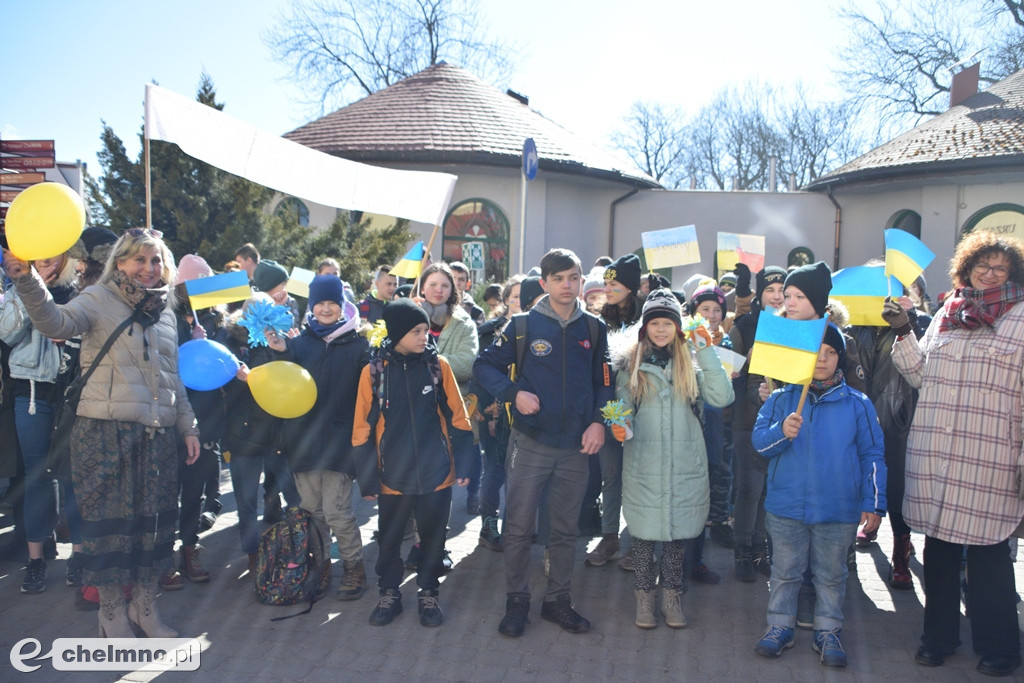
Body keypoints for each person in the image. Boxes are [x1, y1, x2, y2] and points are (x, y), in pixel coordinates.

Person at [3, 229, 200, 639]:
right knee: (110, 533)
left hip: (157, 436)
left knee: (152, 531)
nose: (149, 268)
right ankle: (111, 614)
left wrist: (188, 426)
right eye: (139, 259)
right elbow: (54, 322)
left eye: (156, 261)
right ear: (120, 262)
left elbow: (173, 377)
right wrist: (28, 281)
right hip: (104, 433)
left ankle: (145, 610)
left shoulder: (166, 311)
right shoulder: (98, 297)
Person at [887, 231, 1024, 677]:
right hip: (937, 455)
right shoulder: (948, 312)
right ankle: (938, 639)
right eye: (982, 265)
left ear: (1014, 274)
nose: (990, 273)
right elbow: (919, 376)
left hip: (990, 459)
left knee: (989, 558)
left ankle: (1000, 648)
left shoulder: (1021, 318)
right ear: (966, 269)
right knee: (940, 554)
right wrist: (904, 331)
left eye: (1000, 268)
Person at [474, 248, 613, 638]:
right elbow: (484, 366)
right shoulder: (522, 325)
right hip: (531, 441)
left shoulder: (594, 328)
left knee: (566, 530)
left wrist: (599, 422)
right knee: (518, 527)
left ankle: (557, 601)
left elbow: (605, 382)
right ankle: (517, 600)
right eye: (558, 279)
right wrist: (513, 394)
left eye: (574, 278)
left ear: (582, 280)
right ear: (545, 283)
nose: (567, 286)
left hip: (576, 447)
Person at [752, 324, 886, 668]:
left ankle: (828, 629)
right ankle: (779, 625)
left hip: (837, 509)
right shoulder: (782, 399)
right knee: (785, 572)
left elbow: (872, 454)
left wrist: (872, 502)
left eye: (830, 352)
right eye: (815, 353)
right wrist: (782, 431)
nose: (822, 360)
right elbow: (760, 443)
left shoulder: (858, 404)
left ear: (840, 357)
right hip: (786, 506)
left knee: (831, 575)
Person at [612, 289, 733, 629]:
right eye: (655, 323)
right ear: (645, 328)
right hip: (644, 463)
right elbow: (620, 405)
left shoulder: (690, 362)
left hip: (684, 463)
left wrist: (705, 350)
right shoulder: (631, 366)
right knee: (643, 538)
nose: (661, 330)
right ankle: (644, 599)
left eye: (667, 323)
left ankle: (672, 598)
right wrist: (619, 424)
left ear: (678, 328)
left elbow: (722, 397)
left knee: (678, 538)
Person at [352, 298, 473, 627]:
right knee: (389, 538)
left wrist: (465, 463)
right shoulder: (374, 372)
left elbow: (458, 416)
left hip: (437, 474)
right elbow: (362, 427)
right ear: (396, 334)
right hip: (392, 476)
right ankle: (389, 592)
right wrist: (367, 477)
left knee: (433, 538)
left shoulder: (439, 366)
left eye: (425, 330)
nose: (424, 336)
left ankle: (428, 591)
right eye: (416, 331)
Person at [279, 275, 370, 601]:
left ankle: (353, 566)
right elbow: (282, 387)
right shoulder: (298, 345)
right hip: (303, 442)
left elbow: (368, 395)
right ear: (311, 307)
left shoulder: (359, 346)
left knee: (337, 512)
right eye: (320, 303)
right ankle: (320, 567)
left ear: (343, 306)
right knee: (312, 512)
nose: (327, 309)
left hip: (340, 445)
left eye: (333, 303)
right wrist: (277, 352)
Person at [1, 247, 81, 594]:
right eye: (40, 258)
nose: (46, 263)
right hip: (30, 392)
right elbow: (7, 333)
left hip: (71, 394)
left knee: (73, 478)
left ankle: (78, 556)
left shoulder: (83, 291)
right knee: (36, 477)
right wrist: (30, 292)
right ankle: (35, 561)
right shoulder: (16, 288)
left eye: (53, 257)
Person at [849, 267, 931, 589]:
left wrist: (908, 323)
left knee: (897, 488)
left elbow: (922, 366)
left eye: (908, 291)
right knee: (858, 479)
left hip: (900, 417)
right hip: (862, 414)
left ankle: (901, 553)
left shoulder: (921, 323)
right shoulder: (858, 324)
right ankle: (858, 537)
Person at [221, 294, 301, 575]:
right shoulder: (231, 342)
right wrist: (241, 380)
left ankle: (300, 546)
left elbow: (292, 378)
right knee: (245, 502)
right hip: (244, 437)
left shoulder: (281, 339)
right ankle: (253, 554)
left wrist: (283, 351)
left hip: (277, 434)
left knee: (295, 497)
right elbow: (222, 389)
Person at [169, 254, 226, 587]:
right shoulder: (166, 317)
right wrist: (187, 343)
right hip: (172, 415)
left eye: (205, 282)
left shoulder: (216, 318)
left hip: (204, 418)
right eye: (193, 283)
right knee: (167, 492)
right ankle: (164, 556)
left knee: (193, 492)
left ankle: (189, 549)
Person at [729, 266, 787, 581]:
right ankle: (742, 550)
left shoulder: (792, 326)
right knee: (749, 488)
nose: (776, 297)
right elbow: (726, 377)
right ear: (759, 294)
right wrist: (747, 364)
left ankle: (760, 546)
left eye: (782, 290)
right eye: (770, 290)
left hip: (780, 424)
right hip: (746, 420)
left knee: (768, 489)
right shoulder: (744, 327)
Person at [416, 262, 479, 515]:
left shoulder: (464, 323)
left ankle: (435, 534)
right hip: (411, 409)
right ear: (422, 287)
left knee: (440, 482)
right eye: (432, 284)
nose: (438, 290)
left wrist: (430, 361)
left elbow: (466, 364)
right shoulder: (409, 314)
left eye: (445, 285)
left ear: (453, 290)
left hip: (446, 411)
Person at [685, 285, 735, 582]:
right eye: (705, 309)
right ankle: (682, 560)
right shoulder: (683, 341)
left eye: (717, 310)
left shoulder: (726, 341)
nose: (712, 315)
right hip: (691, 423)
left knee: (712, 481)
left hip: (718, 425)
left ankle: (698, 557)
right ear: (693, 312)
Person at [475, 275, 524, 551]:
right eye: (514, 296)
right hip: (494, 412)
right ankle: (489, 524)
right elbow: (481, 370)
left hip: (523, 414)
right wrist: (489, 408)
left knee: (520, 473)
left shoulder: (536, 328)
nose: (519, 301)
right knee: (494, 469)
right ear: (505, 300)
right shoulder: (489, 331)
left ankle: (516, 527)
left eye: (524, 297)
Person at [252, 259, 300, 330]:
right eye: (283, 284)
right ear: (270, 285)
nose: (284, 289)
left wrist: (278, 306)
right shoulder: (253, 307)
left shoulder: (284, 305)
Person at [449, 260, 486, 325]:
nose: (457, 283)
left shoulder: (476, 313)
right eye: (453, 278)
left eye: (461, 280)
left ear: (467, 283)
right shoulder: (437, 305)